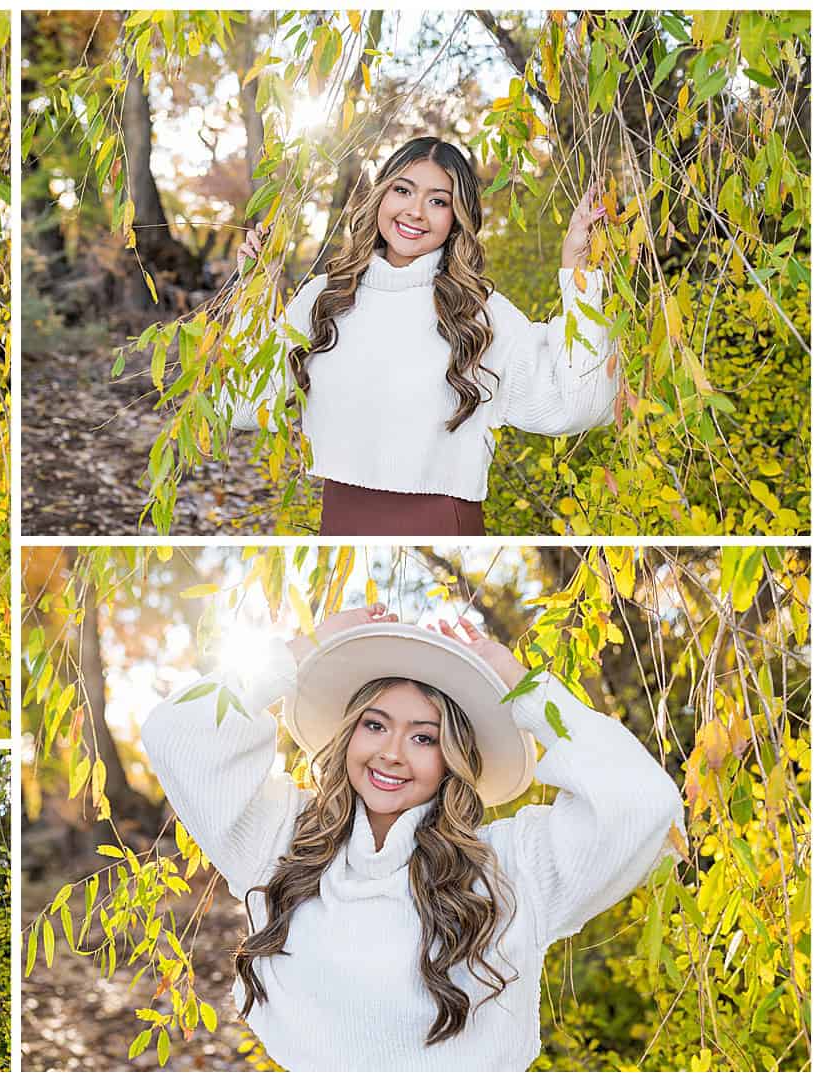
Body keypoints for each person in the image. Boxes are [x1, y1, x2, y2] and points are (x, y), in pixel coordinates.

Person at [141, 604, 684, 1070]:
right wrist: (307, 648)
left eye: (424, 737)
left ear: (454, 759)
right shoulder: (281, 837)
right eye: (375, 725)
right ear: (348, 732)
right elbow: (178, 734)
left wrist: (525, 686)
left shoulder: (513, 868)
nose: (392, 753)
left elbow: (641, 803)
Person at [228, 137, 615, 534]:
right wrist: (253, 294)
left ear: (457, 218)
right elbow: (242, 407)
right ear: (380, 195)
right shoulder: (325, 298)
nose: (415, 212)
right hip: (340, 522)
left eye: (438, 201)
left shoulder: (477, 313)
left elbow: (581, 405)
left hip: (443, 523)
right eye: (402, 190)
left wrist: (579, 274)